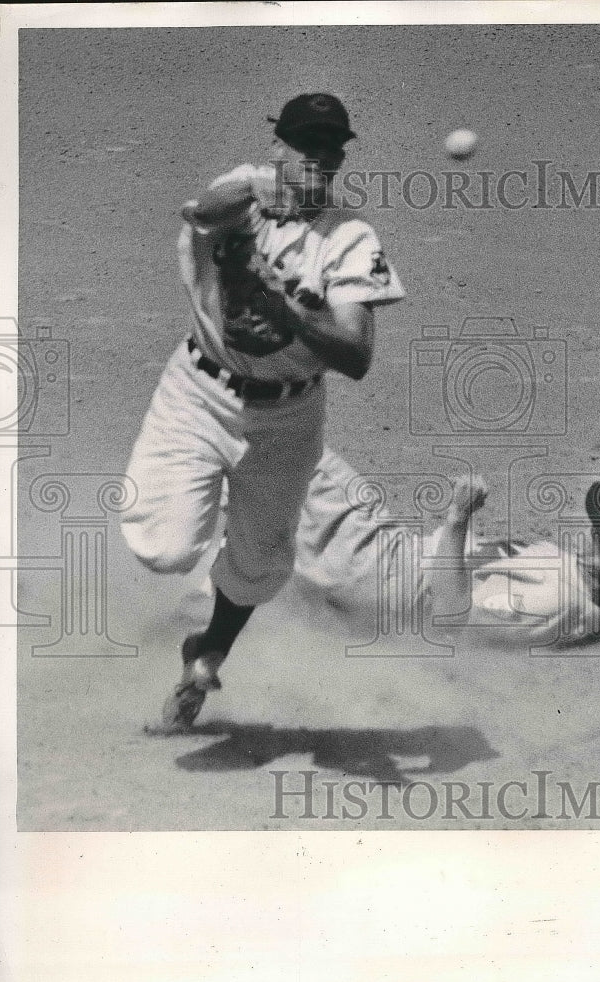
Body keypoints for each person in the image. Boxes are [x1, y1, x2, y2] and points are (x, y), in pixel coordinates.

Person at [121, 94, 404, 732]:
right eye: (306, 145)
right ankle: (211, 501)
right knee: (164, 548)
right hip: (200, 394)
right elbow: (202, 211)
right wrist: (253, 186)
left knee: (259, 567)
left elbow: (356, 355)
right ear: (279, 146)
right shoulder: (239, 195)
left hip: (288, 416)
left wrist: (291, 314)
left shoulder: (352, 237)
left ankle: (206, 652)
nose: (318, 159)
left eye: (330, 149)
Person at [293, 449, 600, 645]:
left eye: (597, 533)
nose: (587, 532)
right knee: (290, 461)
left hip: (385, 575)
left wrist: (458, 518)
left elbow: (450, 619)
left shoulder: (553, 601)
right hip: (392, 560)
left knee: (292, 448)